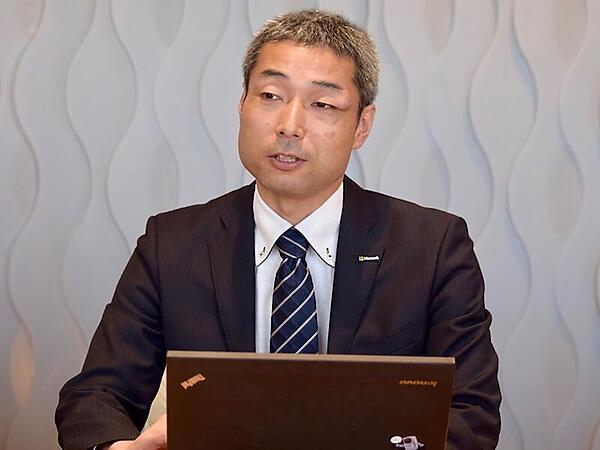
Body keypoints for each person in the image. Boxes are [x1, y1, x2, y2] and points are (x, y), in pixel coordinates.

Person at [55, 9, 501, 450]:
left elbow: (471, 414)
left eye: (322, 104)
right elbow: (95, 395)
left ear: (361, 126)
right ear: (242, 105)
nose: (289, 126)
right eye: (270, 95)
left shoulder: (432, 248)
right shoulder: (171, 244)